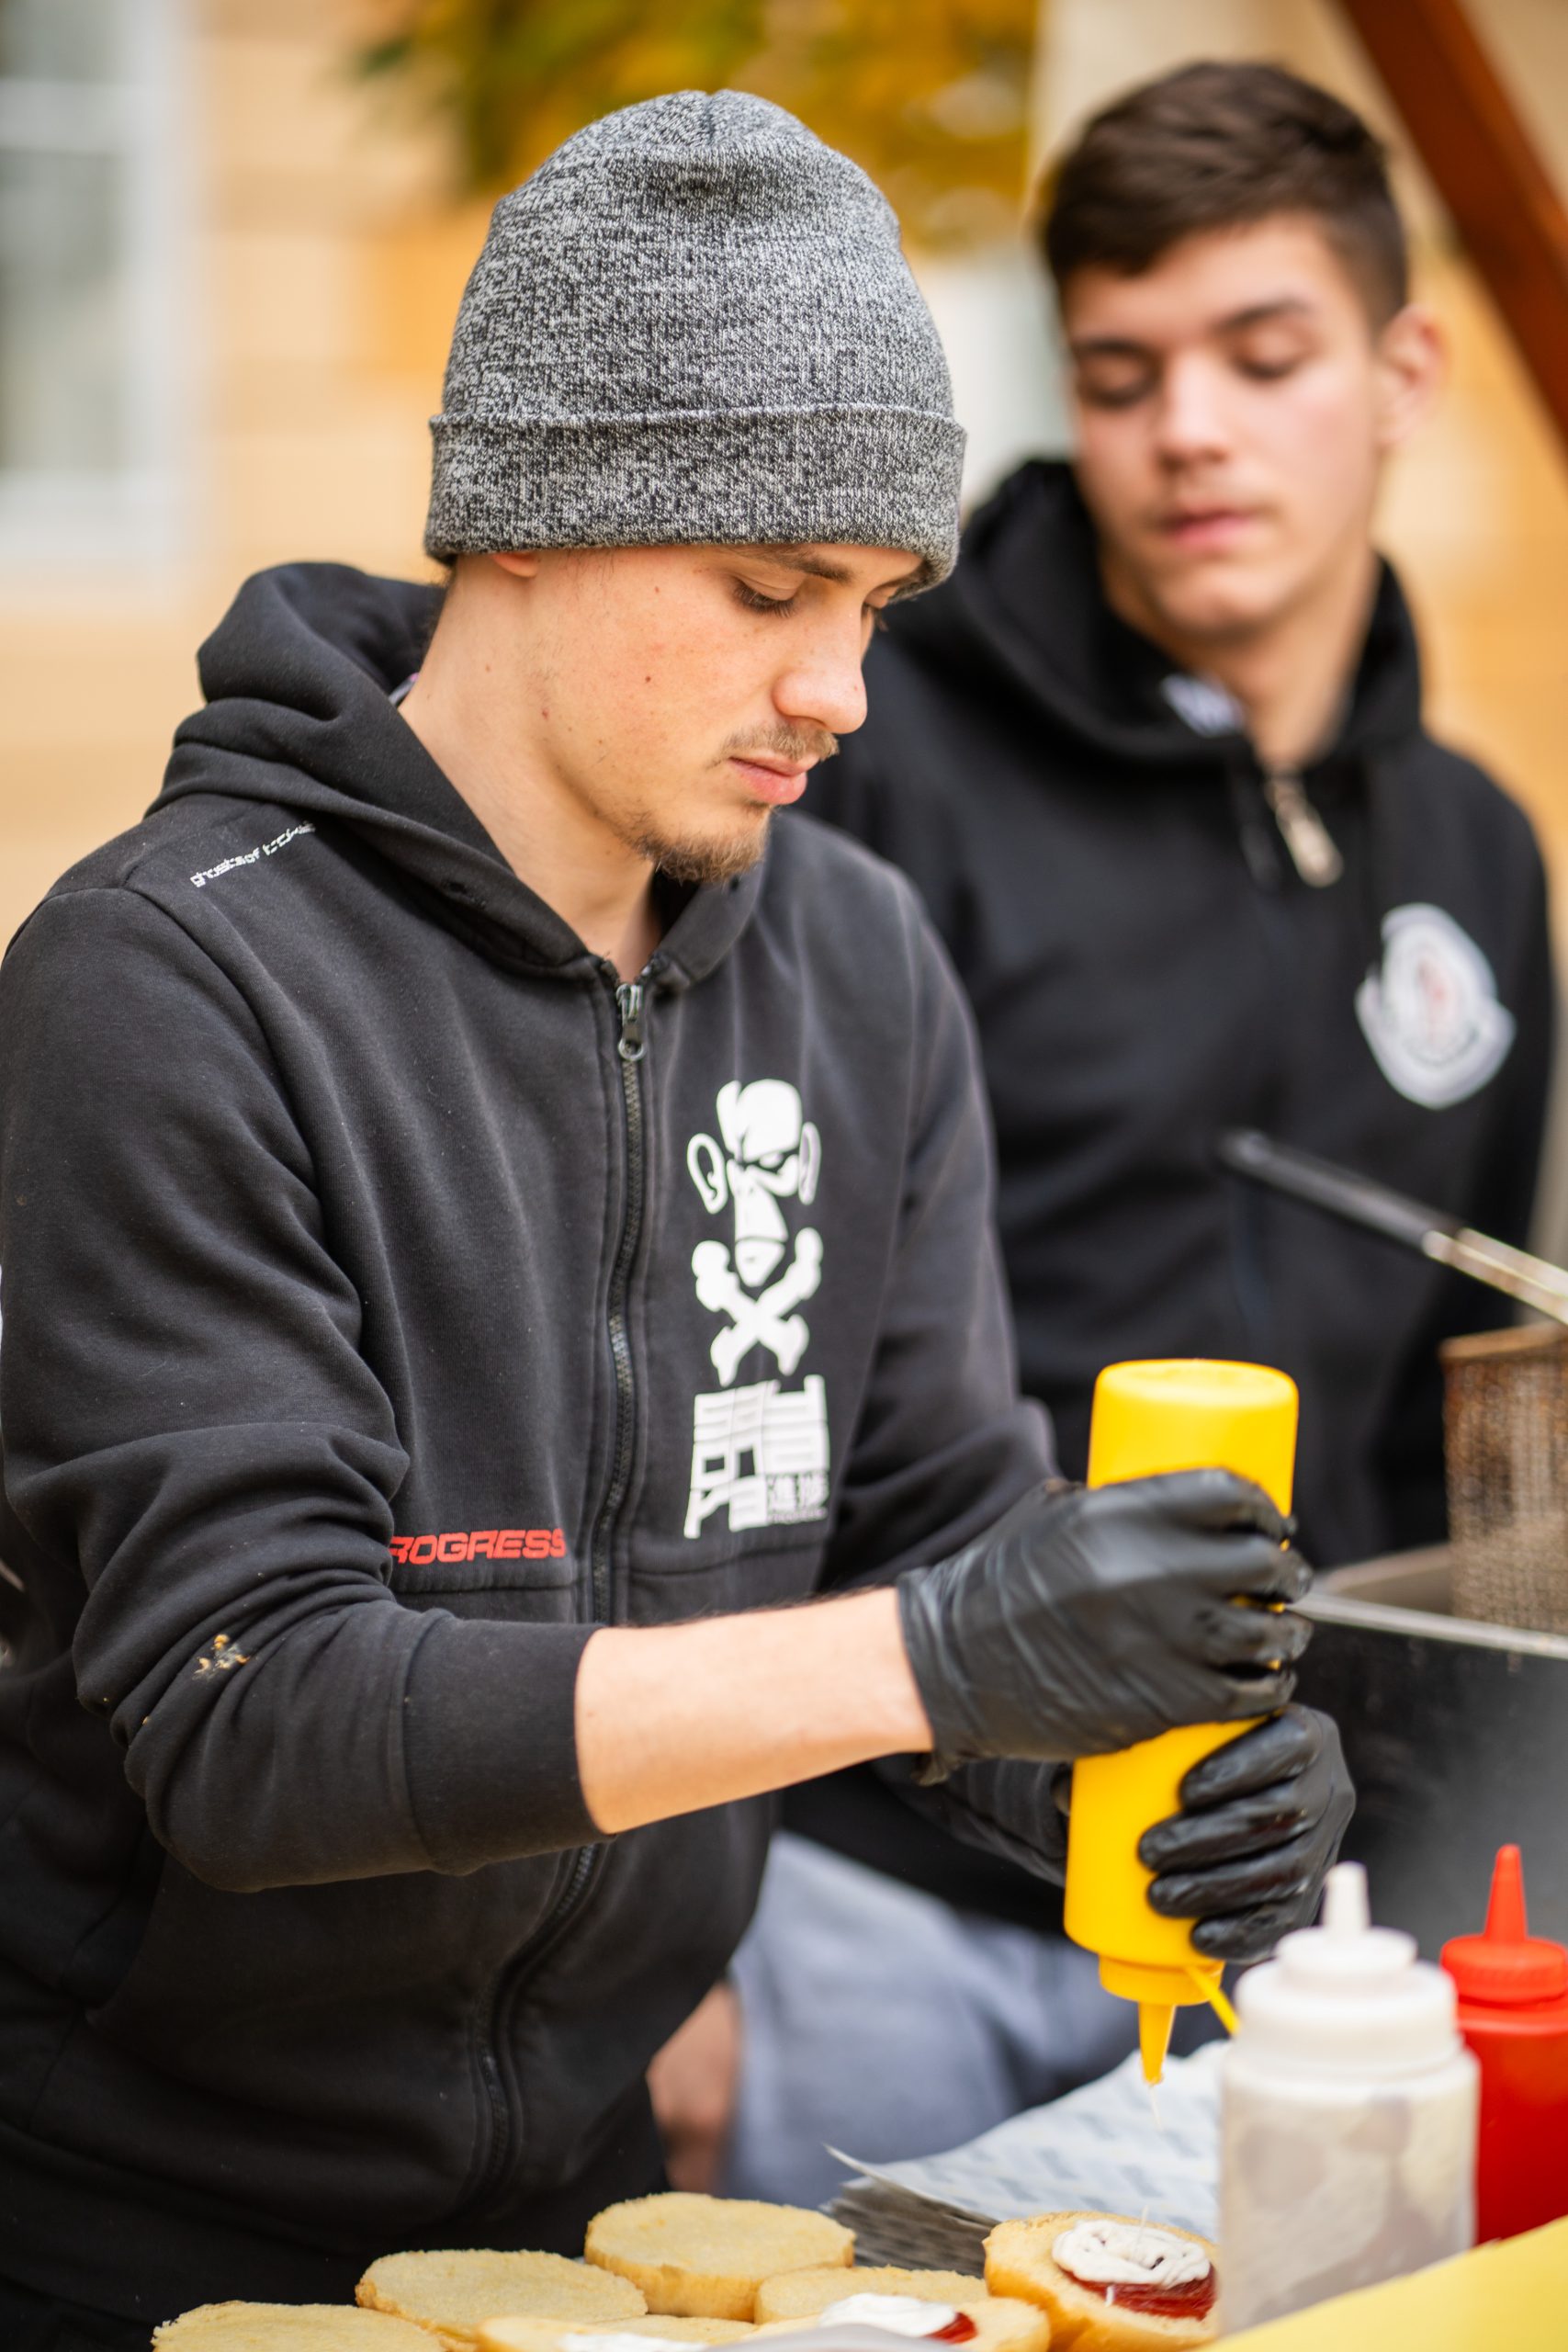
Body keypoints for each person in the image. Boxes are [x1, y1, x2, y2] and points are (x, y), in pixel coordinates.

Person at [0, 92, 1349, 2346]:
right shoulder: (165, 973)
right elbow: (256, 1714)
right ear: (530, 522)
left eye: (873, 604)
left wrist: (1118, 1760)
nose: (838, 689)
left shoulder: (856, 960)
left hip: (602, 2222)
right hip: (133, 2222)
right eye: (767, 589)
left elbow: (927, 1527)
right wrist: (939, 1654)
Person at [712, 60, 1551, 2206]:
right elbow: (672, 1347)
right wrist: (655, 1919)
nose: (1185, 428)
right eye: (1117, 372)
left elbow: (1443, 1417)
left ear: (1400, 372)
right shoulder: (851, 758)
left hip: (1276, 1891)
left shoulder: (1473, 850)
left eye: (1259, 357)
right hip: (863, 1872)